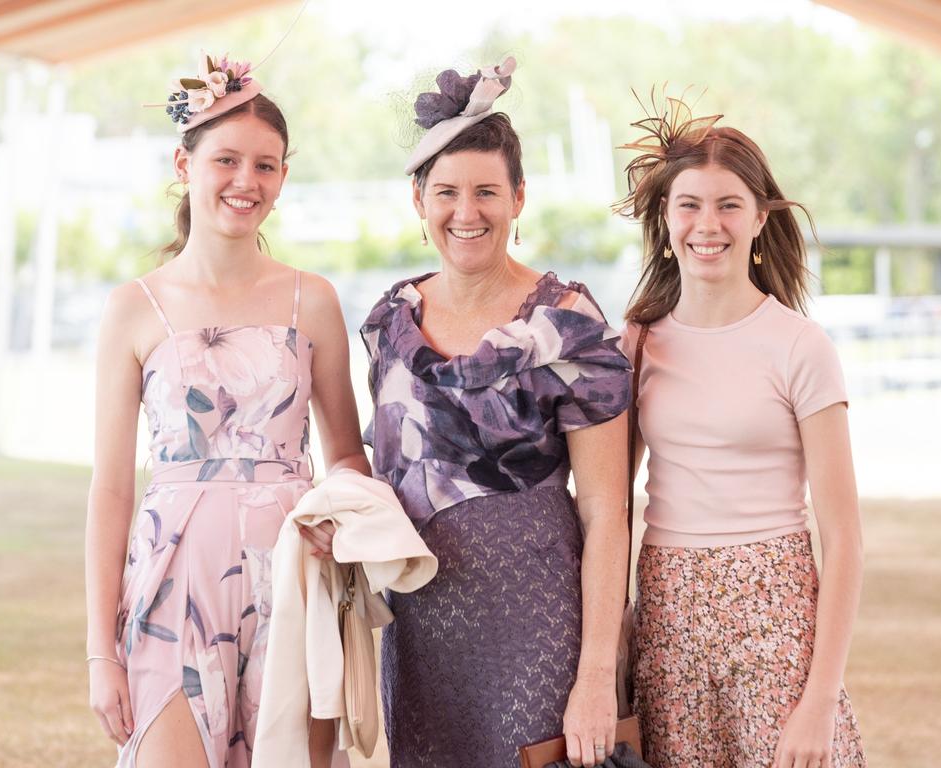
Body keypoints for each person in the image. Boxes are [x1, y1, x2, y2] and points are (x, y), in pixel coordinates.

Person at [84, 54, 368, 768]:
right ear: (185, 165)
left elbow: (346, 454)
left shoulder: (315, 301)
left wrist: (344, 512)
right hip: (172, 585)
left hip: (295, 579)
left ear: (282, 177)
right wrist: (99, 654)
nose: (247, 182)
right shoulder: (133, 308)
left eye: (266, 166)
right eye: (228, 160)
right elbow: (112, 488)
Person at [360, 57, 633, 768]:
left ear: (518, 198)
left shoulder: (569, 322)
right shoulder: (388, 323)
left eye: (487, 191)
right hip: (420, 630)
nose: (466, 212)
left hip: (538, 628)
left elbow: (606, 511)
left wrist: (597, 675)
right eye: (446, 192)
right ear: (419, 201)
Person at [616, 93, 868, 767]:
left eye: (728, 204)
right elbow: (608, 506)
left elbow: (843, 537)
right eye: (689, 205)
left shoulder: (799, 347)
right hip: (669, 618)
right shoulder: (636, 344)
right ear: (665, 219)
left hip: (776, 614)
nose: (708, 224)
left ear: (759, 217)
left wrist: (820, 699)